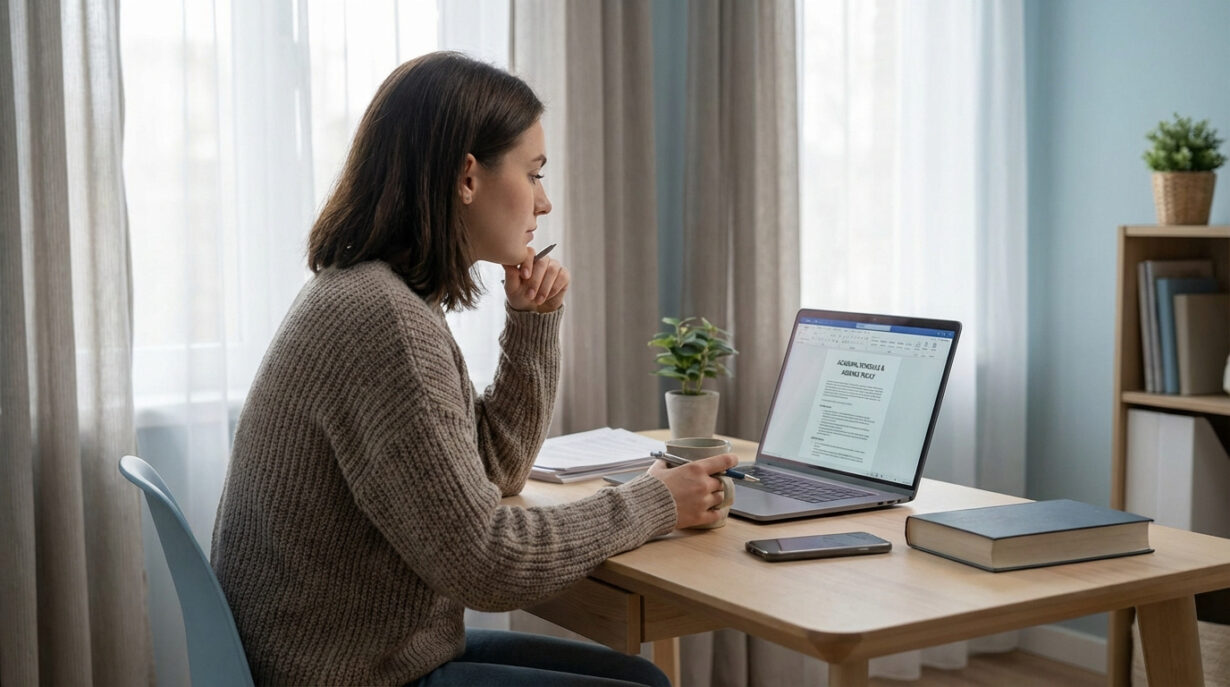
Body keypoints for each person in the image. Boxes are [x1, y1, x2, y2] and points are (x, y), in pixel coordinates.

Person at [209, 51, 737, 686]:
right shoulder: (381, 320)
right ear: (466, 177)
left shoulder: (376, 295)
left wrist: (532, 321)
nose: (544, 202)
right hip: (350, 674)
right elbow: (486, 562)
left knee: (640, 678)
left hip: (367, 654)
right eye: (534, 173)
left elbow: (496, 471)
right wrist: (654, 503)